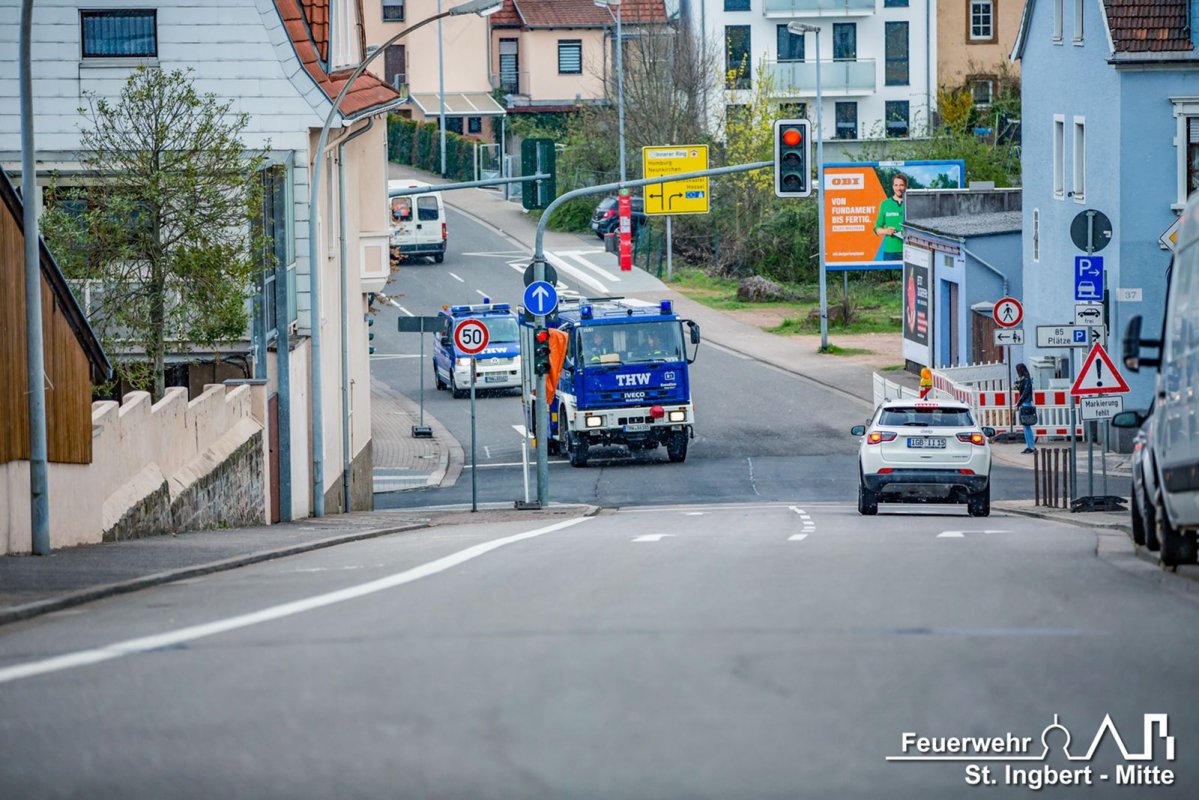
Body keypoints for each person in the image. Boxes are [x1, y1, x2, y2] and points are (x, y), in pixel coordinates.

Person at [874, 173, 908, 261]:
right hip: (890, 251)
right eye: (896, 185)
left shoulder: (912, 203)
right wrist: (886, 231)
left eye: (901, 185)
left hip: (909, 249)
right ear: (892, 186)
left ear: (906, 186)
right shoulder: (885, 204)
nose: (898, 188)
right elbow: (877, 228)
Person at [1015, 362, 1036, 454]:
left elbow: (1025, 393)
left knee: (1027, 426)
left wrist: (1018, 403)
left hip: (1026, 404)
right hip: (1025, 403)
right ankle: (1029, 446)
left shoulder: (1026, 380)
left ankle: (1031, 446)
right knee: (1025, 426)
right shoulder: (1026, 379)